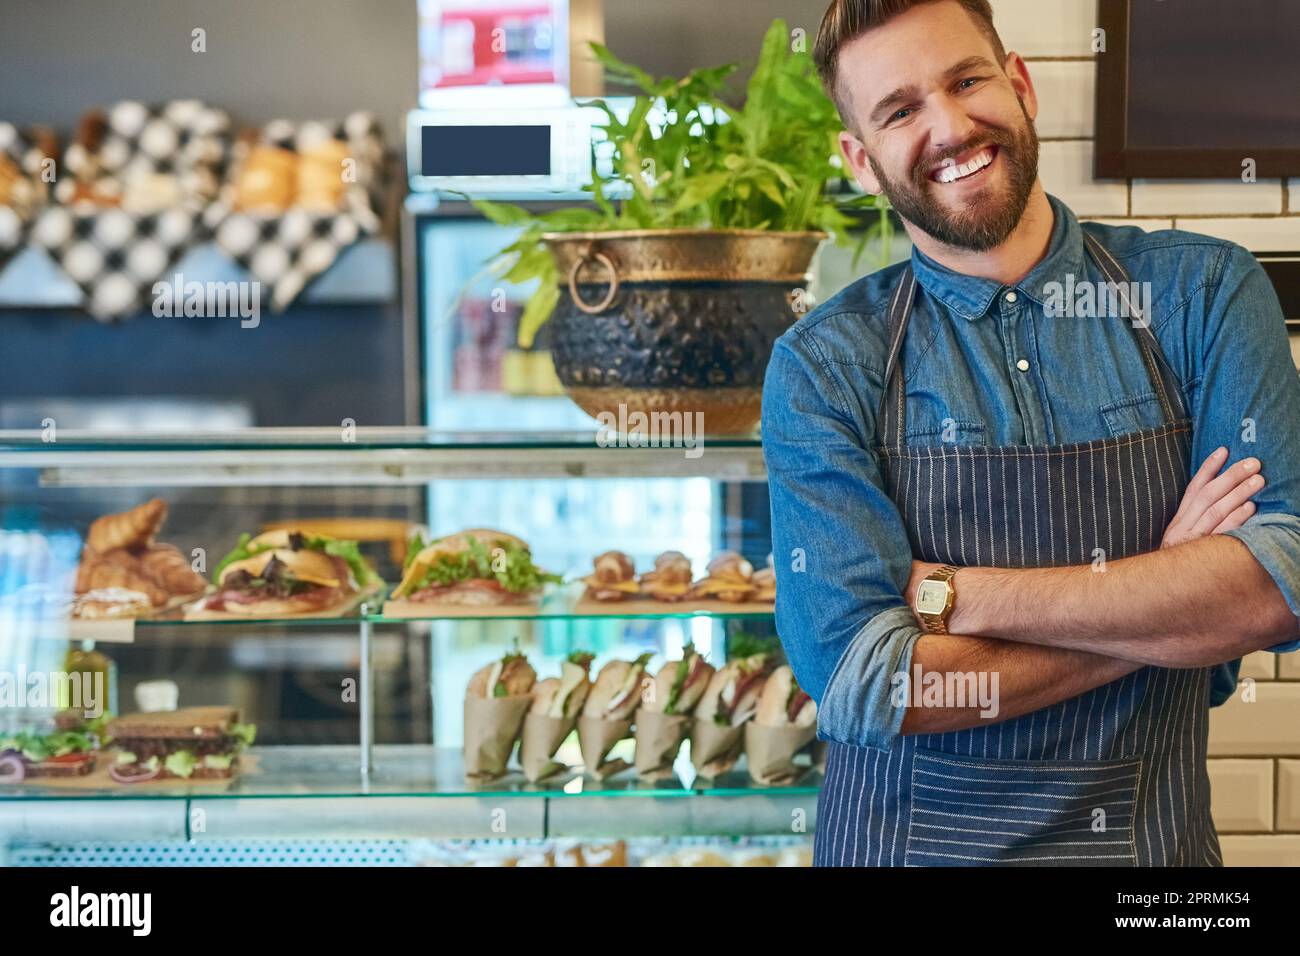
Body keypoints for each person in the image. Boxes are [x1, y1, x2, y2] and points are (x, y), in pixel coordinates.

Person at [763, 0, 1300, 866]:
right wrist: (1169, 611)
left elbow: (1276, 587)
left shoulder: (1204, 296)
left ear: (1020, 85)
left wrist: (954, 594)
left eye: (966, 80)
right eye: (900, 111)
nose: (948, 126)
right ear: (862, 162)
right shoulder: (825, 365)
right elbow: (866, 684)